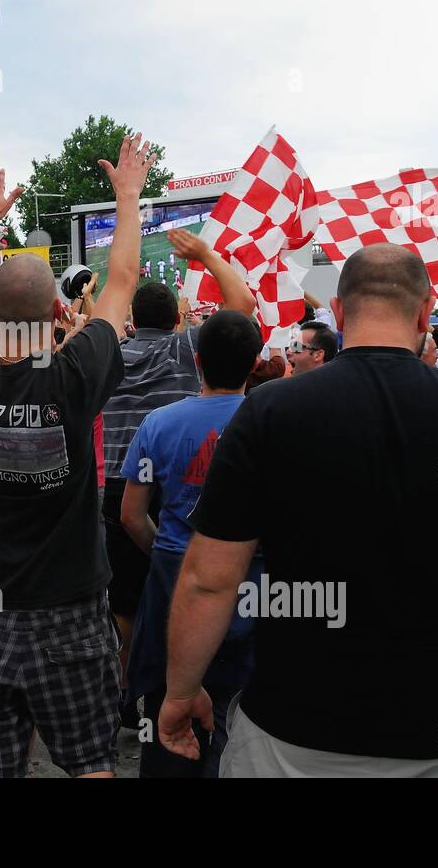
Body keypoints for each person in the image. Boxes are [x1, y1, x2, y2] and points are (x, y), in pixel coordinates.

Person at [160, 243, 438, 777]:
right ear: (423, 313)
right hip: (437, 726)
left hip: (293, 723)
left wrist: (180, 692)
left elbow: (210, 579)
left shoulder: (271, 409)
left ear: (339, 314)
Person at [0, 135, 156, 779]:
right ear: (57, 313)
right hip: (68, 609)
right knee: (91, 762)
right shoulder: (74, 375)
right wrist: (128, 196)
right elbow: (122, 281)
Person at [101, 234, 255, 727]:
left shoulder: (107, 355)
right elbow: (241, 309)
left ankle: (132, 693)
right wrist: (206, 256)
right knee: (194, 591)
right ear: (175, 322)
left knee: (127, 600)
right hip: (181, 482)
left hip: (119, 486)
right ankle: (195, 686)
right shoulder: (182, 349)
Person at [121, 309, 263, 777]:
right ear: (256, 362)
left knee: (166, 717)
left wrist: (167, 552)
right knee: (240, 723)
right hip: (251, 587)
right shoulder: (272, 420)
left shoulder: (157, 424)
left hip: (171, 589)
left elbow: (131, 515)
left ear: (197, 361)